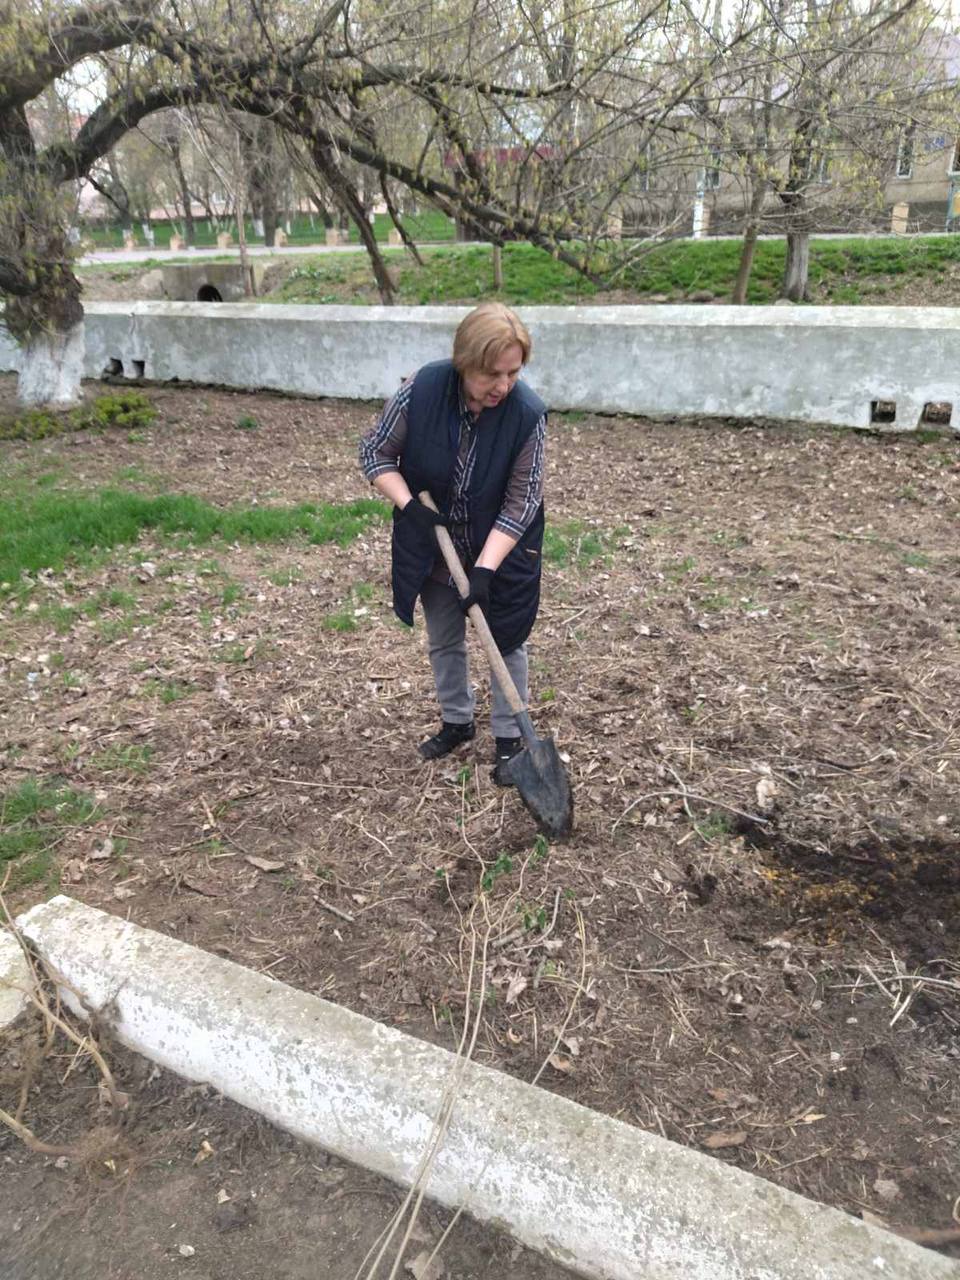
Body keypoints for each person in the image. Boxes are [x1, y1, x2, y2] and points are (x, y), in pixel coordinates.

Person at [359, 302, 546, 779]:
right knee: (444, 637)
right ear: (465, 363)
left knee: (506, 639)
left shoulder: (527, 416)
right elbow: (375, 453)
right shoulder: (420, 392)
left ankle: (510, 739)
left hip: (499, 544)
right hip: (436, 541)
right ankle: (457, 721)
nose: (502, 386)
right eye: (491, 374)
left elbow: (521, 502)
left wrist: (484, 569)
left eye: (513, 372)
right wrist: (410, 507)